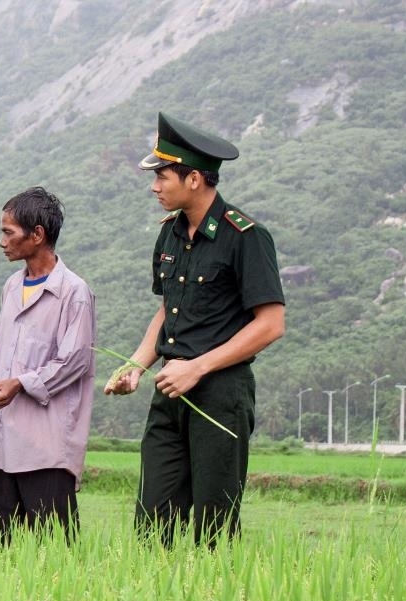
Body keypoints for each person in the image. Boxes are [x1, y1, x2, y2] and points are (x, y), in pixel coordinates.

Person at [103, 112, 286, 547]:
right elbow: (167, 309)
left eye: (162, 176)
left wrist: (198, 368)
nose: (154, 186)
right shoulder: (169, 234)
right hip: (169, 391)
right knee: (152, 522)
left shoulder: (245, 236)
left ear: (195, 179)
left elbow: (271, 324)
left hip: (221, 393)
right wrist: (137, 365)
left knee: (214, 529)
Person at [0, 187, 96, 545]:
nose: (2, 242)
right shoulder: (12, 286)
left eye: (8, 232)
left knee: (53, 554)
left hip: (47, 446)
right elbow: (1, 354)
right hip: (3, 442)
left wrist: (19, 384)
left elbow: (74, 360)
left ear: (37, 235)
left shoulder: (74, 292)